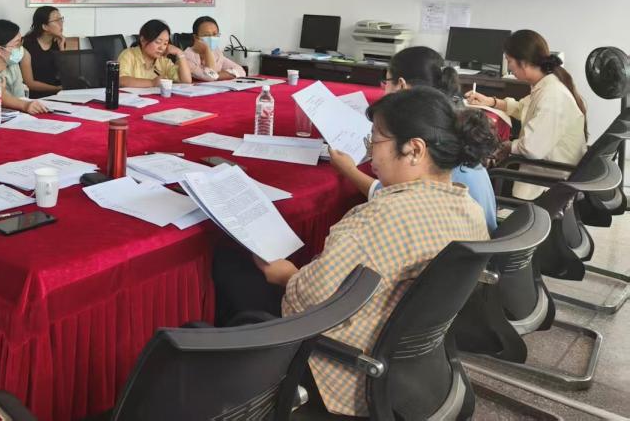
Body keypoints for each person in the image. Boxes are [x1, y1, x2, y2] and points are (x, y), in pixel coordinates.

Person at [216, 87, 493, 417]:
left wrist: (287, 275)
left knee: (235, 268)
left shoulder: (380, 217)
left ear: (414, 149)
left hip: (348, 372)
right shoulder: (469, 208)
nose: (370, 154)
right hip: (412, 370)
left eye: (375, 141)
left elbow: (309, 299)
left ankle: (241, 392)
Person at [328, 46, 498, 230]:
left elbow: (400, 195)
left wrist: (350, 171)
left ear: (401, 85)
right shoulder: (444, 119)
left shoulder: (432, 136)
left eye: (386, 82)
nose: (384, 89)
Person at [465, 29, 587, 199]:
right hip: (545, 169)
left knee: (482, 178)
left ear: (523, 62)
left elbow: (531, 148)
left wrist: (506, 146)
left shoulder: (552, 96)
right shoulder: (546, 85)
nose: (509, 67)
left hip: (548, 181)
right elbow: (524, 108)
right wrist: (491, 102)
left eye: (509, 61)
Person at [117, 19, 192, 88]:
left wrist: (180, 53)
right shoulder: (129, 55)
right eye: (158, 42)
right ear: (143, 40)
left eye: (165, 44)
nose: (162, 48)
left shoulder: (163, 60)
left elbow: (186, 81)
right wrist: (152, 83)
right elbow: (121, 80)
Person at [183, 16, 246, 82]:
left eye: (215, 34)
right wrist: (207, 50)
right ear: (196, 37)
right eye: (206, 35)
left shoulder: (217, 53)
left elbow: (241, 71)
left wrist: (217, 76)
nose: (211, 38)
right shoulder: (187, 56)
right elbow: (210, 77)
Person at [20, 6, 64, 98]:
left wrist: (62, 49)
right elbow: (29, 83)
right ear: (45, 26)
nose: (61, 23)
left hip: (58, 95)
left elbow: (65, 74)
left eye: (61, 19)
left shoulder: (59, 42)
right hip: (35, 97)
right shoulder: (26, 44)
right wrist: (57, 89)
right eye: (57, 20)